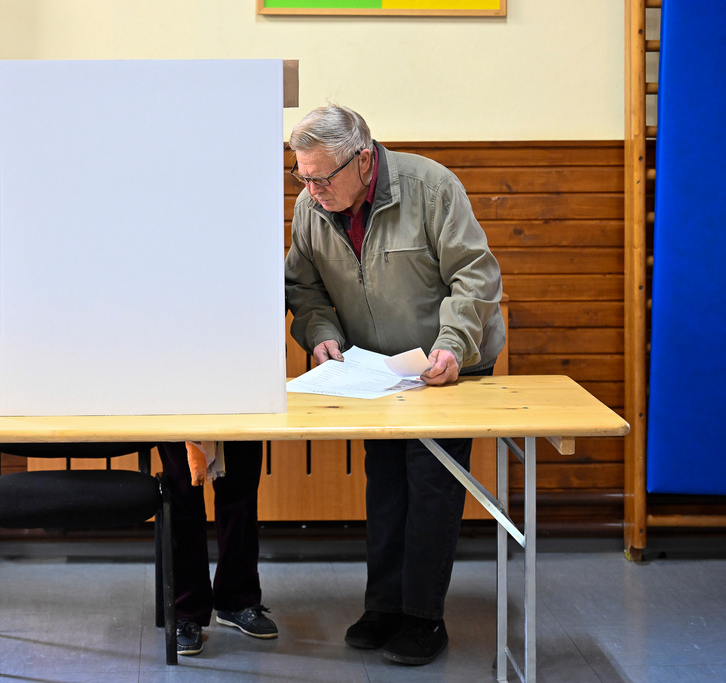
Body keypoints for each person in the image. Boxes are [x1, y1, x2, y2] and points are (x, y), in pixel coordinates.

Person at [284, 105, 505, 666]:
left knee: (430, 488)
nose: (310, 189)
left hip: (443, 369)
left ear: (363, 161)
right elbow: (304, 289)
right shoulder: (312, 206)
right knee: (385, 487)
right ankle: (383, 607)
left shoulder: (430, 187)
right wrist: (322, 334)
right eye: (301, 175)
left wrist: (454, 345)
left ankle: (424, 618)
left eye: (320, 177)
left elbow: (473, 274)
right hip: (376, 375)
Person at [157, 440, 278, 655]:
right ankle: (187, 612)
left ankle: (237, 600)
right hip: (177, 409)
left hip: (241, 408)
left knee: (241, 498)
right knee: (183, 500)